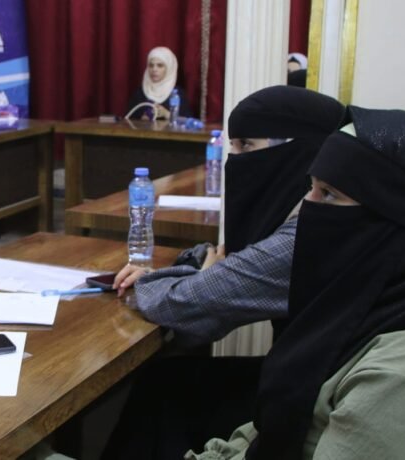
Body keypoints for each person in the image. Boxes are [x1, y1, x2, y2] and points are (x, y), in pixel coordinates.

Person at [191, 107, 405, 459]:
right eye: (311, 189)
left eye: (329, 194)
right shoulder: (375, 313)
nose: (305, 209)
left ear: (403, 222)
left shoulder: (404, 384)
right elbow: (265, 432)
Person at [99, 87, 344, 458]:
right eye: (233, 146)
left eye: (246, 146)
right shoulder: (314, 210)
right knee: (165, 383)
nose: (234, 159)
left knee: (166, 391)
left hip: (318, 398)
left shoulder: (309, 233)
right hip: (309, 376)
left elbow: (189, 305)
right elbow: (221, 259)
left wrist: (162, 279)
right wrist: (200, 271)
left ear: (296, 150)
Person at [125, 47, 188, 121]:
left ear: (169, 68)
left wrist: (167, 114)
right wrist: (142, 120)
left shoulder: (177, 94)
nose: (154, 69)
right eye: (151, 65)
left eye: (160, 65)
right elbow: (128, 121)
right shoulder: (140, 93)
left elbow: (188, 123)